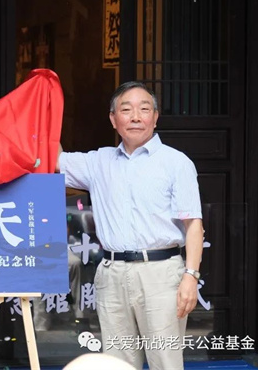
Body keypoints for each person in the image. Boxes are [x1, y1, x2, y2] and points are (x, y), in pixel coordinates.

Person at [56, 81, 203, 370]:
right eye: (126, 110)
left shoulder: (176, 163)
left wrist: (191, 276)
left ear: (155, 117)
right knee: (117, 362)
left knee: (165, 361)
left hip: (161, 274)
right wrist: (42, 111)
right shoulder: (98, 162)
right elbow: (53, 159)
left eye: (144, 109)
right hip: (113, 274)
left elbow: (194, 225)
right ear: (113, 119)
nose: (135, 117)